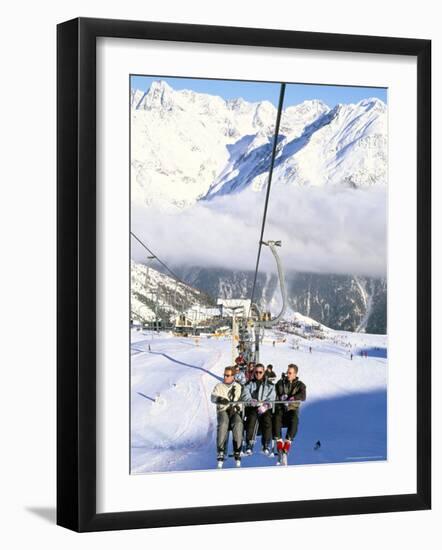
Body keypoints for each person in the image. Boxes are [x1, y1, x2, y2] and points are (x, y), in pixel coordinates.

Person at [210, 367, 243, 467]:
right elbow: (213, 397)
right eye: (224, 375)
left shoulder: (238, 386)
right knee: (224, 423)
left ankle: (237, 449)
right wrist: (220, 399)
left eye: (228, 375)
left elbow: (241, 400)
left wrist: (238, 406)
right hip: (223, 410)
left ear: (233, 376)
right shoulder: (219, 386)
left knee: (238, 423)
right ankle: (221, 450)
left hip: (234, 411)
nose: (225, 377)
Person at [273, 364, 306, 460]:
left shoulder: (300, 385)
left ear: (295, 374)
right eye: (287, 372)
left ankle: (287, 443)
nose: (288, 374)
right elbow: (276, 392)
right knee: (276, 416)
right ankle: (279, 441)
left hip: (292, 409)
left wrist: (294, 398)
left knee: (294, 419)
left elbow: (303, 396)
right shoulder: (281, 383)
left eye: (290, 373)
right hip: (281, 409)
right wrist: (281, 397)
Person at [242, 363, 276, 454]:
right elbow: (245, 395)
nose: (258, 374)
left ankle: (266, 444)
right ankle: (249, 443)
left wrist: (266, 405)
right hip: (253, 407)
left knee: (267, 420)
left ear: (264, 372)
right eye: (256, 372)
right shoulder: (249, 384)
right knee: (252, 418)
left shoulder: (270, 385)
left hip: (265, 408)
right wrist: (250, 401)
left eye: (260, 372)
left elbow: (272, 397)